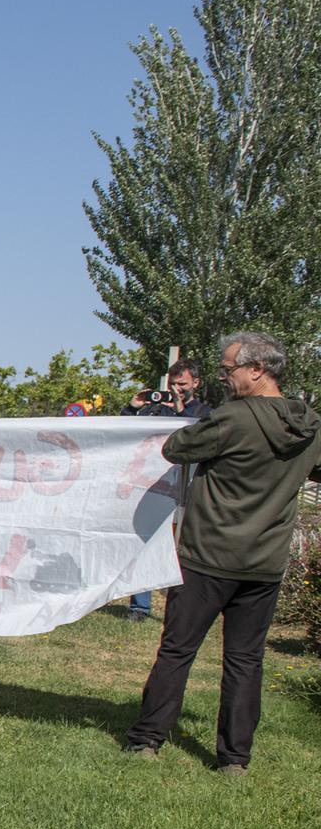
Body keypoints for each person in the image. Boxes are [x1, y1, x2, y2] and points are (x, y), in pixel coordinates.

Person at [124, 331, 319, 773]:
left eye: (229, 369)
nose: (225, 377)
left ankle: (148, 738)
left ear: (257, 370)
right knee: (246, 660)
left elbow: (175, 448)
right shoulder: (310, 425)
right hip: (265, 563)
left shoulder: (233, 419)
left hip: (208, 555)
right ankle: (235, 759)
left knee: (177, 650)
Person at [124, 360, 211, 620]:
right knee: (146, 545)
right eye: (172, 384)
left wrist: (182, 411)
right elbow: (125, 433)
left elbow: (202, 438)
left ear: (196, 383)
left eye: (182, 384)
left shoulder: (206, 413)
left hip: (188, 493)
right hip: (154, 490)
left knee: (183, 552)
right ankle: (139, 606)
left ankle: (182, 607)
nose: (176, 389)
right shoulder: (156, 412)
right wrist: (134, 406)